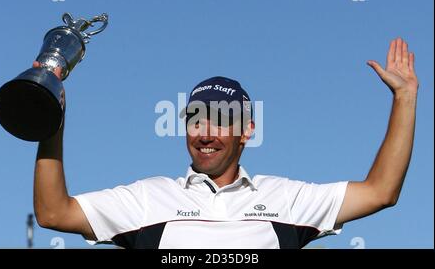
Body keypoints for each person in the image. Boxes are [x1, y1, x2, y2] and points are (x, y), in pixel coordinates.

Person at [34, 38, 419, 248]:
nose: (205, 133)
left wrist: (404, 98)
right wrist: (50, 111)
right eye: (195, 120)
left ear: (246, 131)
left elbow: (381, 191)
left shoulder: (287, 199)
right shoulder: (147, 199)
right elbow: (53, 213)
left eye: (220, 121)